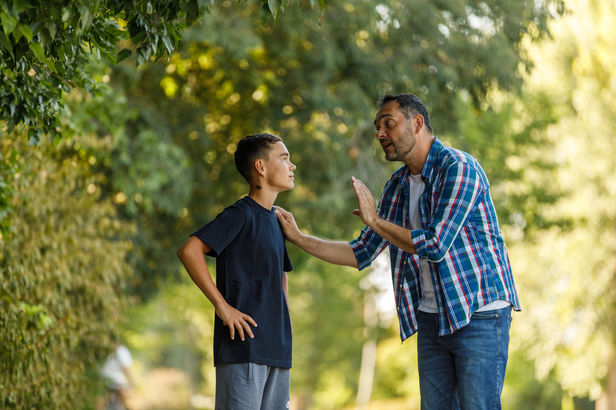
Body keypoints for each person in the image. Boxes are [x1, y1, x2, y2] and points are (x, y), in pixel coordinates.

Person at [275, 94, 521, 409]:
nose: (380, 134)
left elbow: (435, 245)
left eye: (388, 124)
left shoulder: (459, 168)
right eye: (378, 127)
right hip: (433, 318)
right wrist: (298, 238)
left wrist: (376, 221)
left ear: (417, 123)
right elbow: (362, 252)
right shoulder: (398, 185)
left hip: (480, 313)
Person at [177, 133, 296, 410]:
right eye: (285, 158)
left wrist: (284, 325)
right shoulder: (241, 214)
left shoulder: (278, 220)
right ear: (261, 167)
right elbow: (189, 251)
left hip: (277, 350)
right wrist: (223, 307)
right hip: (244, 348)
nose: (292, 166)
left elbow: (281, 274)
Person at [100, 343, 135, 410]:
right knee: (125, 400)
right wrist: (132, 381)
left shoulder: (104, 348)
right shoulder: (121, 350)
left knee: (101, 402)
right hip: (117, 382)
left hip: (103, 381)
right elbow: (126, 368)